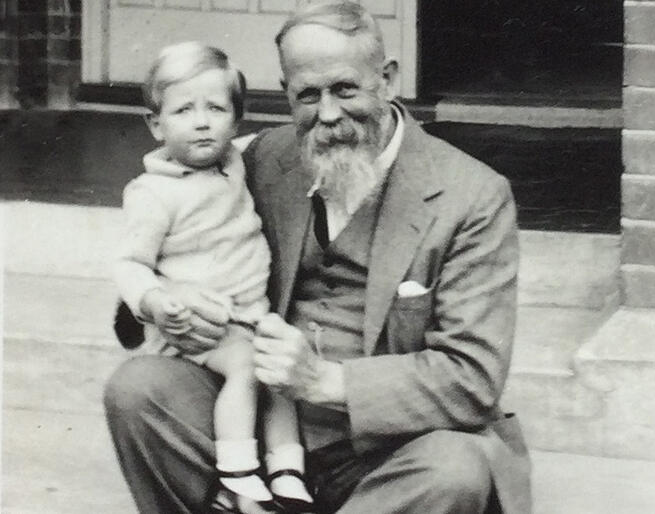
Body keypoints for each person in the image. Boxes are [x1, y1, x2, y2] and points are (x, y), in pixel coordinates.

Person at [105, 3, 532, 513]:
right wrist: (167, 300)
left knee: (457, 469)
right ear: (286, 91)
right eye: (307, 95)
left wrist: (325, 381)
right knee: (139, 390)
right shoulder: (262, 158)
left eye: (345, 89)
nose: (327, 113)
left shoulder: (473, 196)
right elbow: (165, 219)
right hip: (268, 429)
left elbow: (473, 376)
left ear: (388, 79)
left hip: (388, 451)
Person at [112, 42, 312, 512]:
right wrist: (155, 301)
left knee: (279, 371)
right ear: (155, 124)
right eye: (183, 110)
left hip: (247, 316)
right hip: (195, 323)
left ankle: (287, 470)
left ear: (236, 120)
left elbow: (262, 143)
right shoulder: (153, 193)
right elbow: (128, 263)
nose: (202, 122)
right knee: (248, 367)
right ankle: (238, 474)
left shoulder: (234, 161)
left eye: (216, 108)